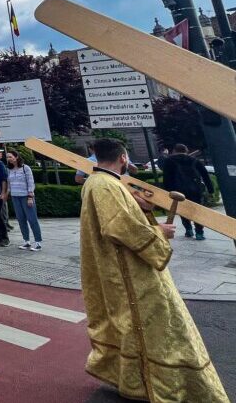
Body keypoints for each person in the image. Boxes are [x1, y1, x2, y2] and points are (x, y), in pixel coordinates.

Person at [79, 138, 227, 402]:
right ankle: (165, 383)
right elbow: (117, 227)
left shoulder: (100, 182)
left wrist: (142, 208)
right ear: (123, 158)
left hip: (119, 266)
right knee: (156, 324)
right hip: (129, 270)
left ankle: (135, 380)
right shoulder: (106, 185)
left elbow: (121, 217)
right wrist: (159, 230)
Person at [161, 144, 215, 240]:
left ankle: (188, 230)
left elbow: (167, 178)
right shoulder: (194, 160)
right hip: (195, 189)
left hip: (178, 190)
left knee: (183, 210)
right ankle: (199, 233)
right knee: (197, 210)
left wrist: (168, 192)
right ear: (186, 151)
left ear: (174, 151)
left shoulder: (169, 161)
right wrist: (211, 190)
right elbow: (205, 175)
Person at [6, 150, 42, 251]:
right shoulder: (9, 169)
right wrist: (5, 194)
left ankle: (38, 242)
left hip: (26, 196)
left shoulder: (25, 168)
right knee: (21, 219)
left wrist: (30, 197)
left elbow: (31, 183)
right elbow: (9, 184)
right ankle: (26, 241)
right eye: (7, 157)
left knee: (32, 219)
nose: (8, 159)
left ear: (16, 157)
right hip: (15, 197)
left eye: (10, 156)